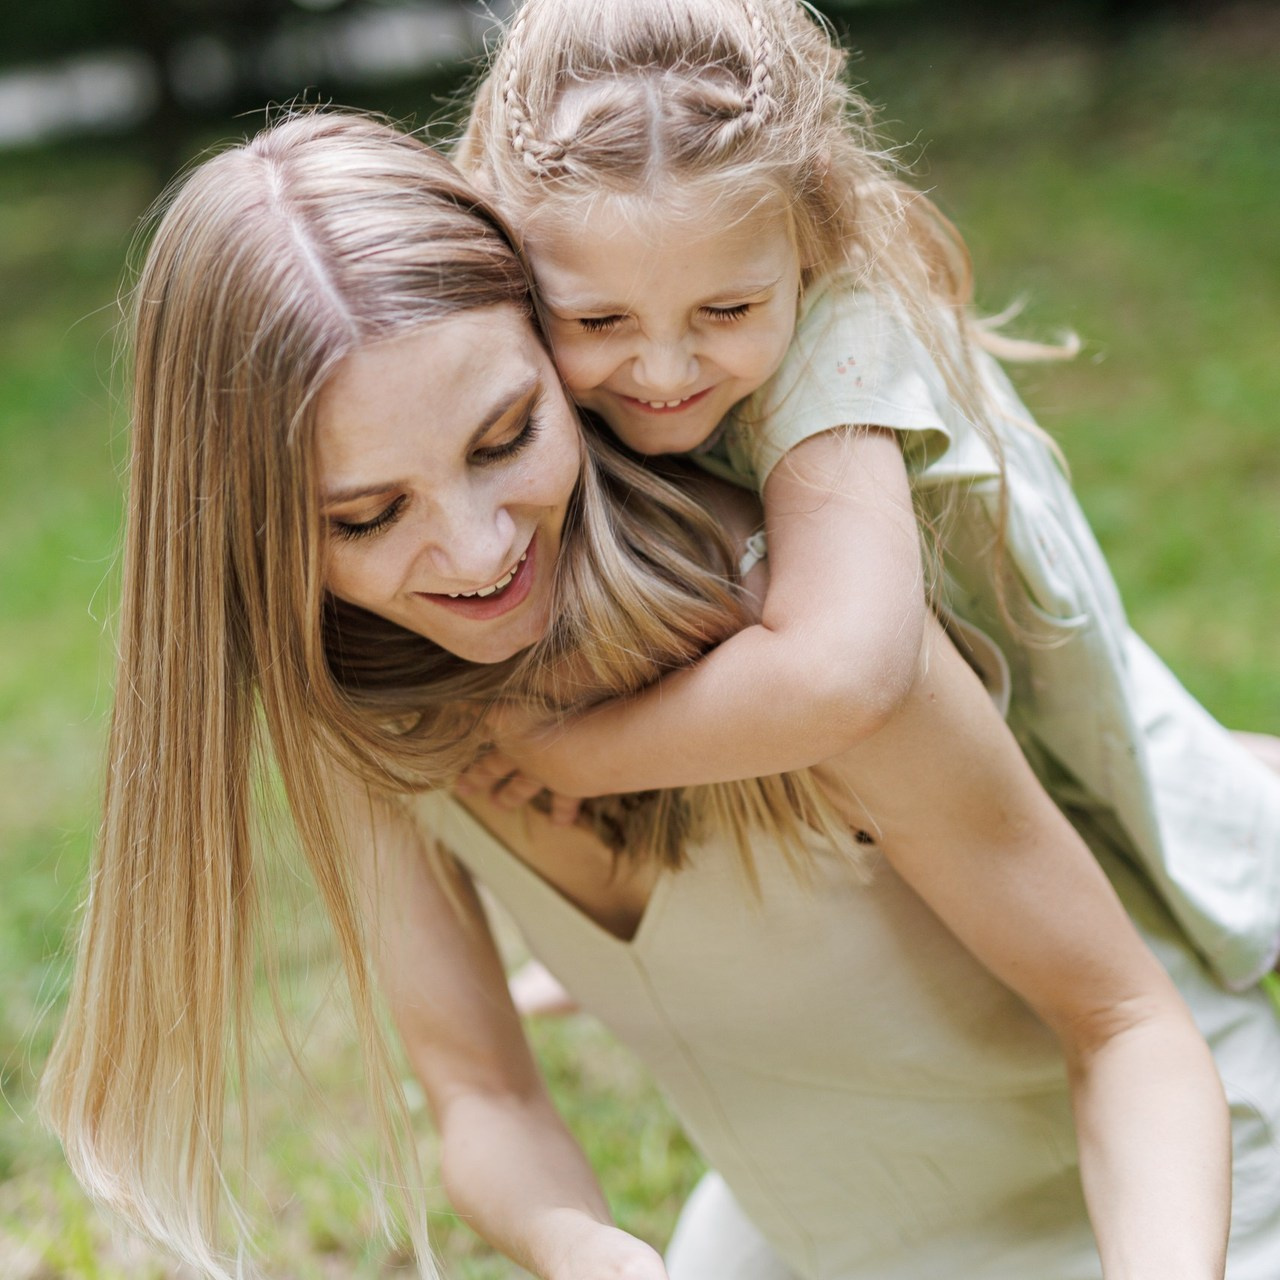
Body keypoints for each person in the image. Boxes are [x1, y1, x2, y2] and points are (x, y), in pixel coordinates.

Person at [37, 112, 1280, 1280]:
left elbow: (1123, 1024)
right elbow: (484, 1094)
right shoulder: (358, 718)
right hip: (817, 1240)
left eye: (504, 436)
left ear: (556, 351)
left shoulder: (791, 631)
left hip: (1169, 1216)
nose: (475, 554)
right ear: (248, 537)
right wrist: (574, 1240)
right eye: (366, 514)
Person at [455, 0, 1280, 994]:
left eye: (726, 309)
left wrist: (573, 756)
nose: (662, 367)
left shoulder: (841, 333)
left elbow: (842, 672)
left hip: (1023, 708)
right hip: (913, 776)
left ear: (811, 233)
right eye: (596, 318)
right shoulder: (527, 338)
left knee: (1173, 850)